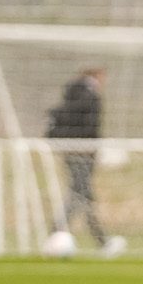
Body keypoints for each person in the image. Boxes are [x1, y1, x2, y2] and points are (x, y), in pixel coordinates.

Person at [47, 66, 126, 257]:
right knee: (81, 194)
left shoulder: (71, 92)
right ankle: (60, 234)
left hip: (70, 150)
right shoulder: (90, 96)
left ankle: (95, 240)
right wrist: (94, 148)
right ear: (97, 76)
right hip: (82, 152)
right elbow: (89, 125)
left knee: (80, 193)